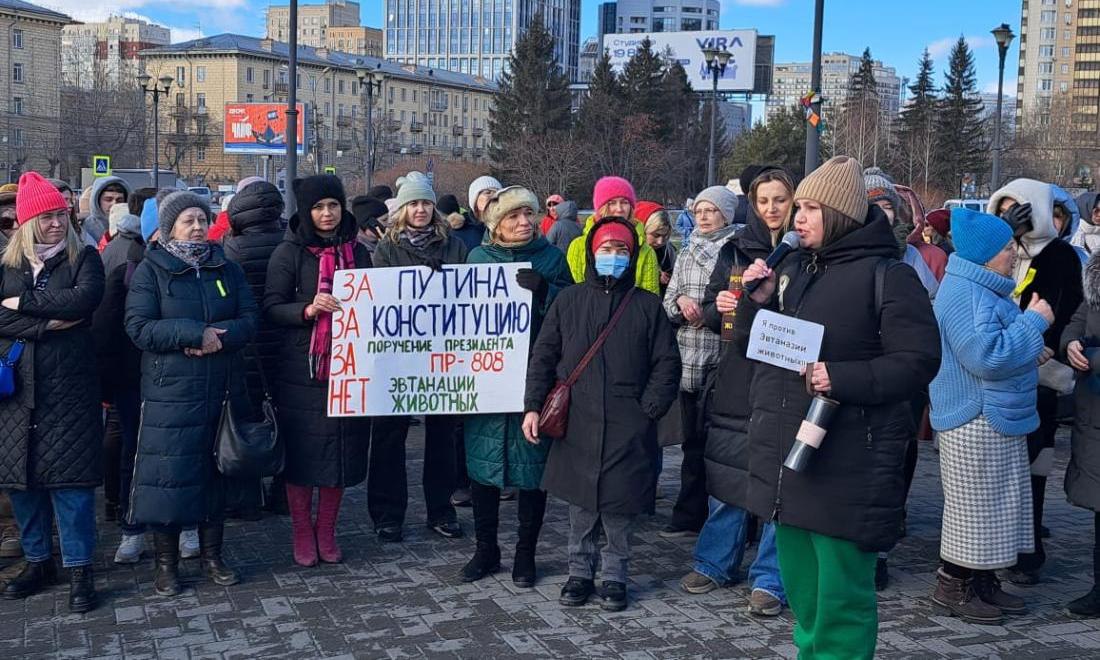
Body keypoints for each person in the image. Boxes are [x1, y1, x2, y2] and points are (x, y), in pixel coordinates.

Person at [736, 156, 940, 659]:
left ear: (841, 215)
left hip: (850, 465)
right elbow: (757, 349)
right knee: (805, 597)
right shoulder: (795, 269)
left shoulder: (890, 276)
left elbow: (919, 361)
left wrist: (842, 377)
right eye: (796, 207)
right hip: (791, 459)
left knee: (842, 601)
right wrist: (756, 303)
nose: (795, 218)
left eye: (808, 208)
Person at [523, 216, 681, 612]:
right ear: (593, 253)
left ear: (633, 256)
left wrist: (650, 407)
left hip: (629, 421)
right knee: (581, 505)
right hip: (578, 418)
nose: (613, 256)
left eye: (622, 250)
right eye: (606, 249)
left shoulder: (647, 306)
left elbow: (666, 363)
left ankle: (615, 574)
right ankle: (579, 572)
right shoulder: (569, 300)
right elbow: (544, 356)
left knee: (619, 507)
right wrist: (532, 405)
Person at [125, 191, 258, 597]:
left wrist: (223, 337)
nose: (198, 227)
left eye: (202, 219)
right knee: (169, 477)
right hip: (171, 394)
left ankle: (213, 556)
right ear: (169, 228)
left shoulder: (226, 268)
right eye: (188, 221)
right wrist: (191, 333)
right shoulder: (151, 270)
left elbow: (250, 318)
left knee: (215, 473)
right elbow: (139, 327)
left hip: (221, 388)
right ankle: (166, 565)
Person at [678, 167, 796, 617]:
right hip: (737, 372)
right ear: (751, 203)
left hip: (785, 375)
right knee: (728, 466)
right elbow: (710, 312)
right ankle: (715, 560)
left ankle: (769, 577)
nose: (771, 209)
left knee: (778, 477)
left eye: (780, 200)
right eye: (763, 200)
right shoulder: (735, 248)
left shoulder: (805, 253)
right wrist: (718, 307)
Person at [928, 207, 1052, 623]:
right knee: (974, 509)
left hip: (991, 416)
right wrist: (1034, 324)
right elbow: (986, 356)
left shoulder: (981, 287)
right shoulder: (964, 292)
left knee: (992, 508)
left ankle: (981, 581)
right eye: (1005, 247)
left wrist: (1031, 346)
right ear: (983, 254)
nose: (1014, 254)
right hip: (974, 417)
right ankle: (953, 586)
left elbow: (997, 346)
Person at [0, 171, 105, 612]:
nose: (57, 224)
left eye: (61, 215)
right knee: (22, 485)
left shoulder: (84, 261)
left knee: (72, 487)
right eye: (46, 218)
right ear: (27, 223)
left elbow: (82, 303)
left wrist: (22, 306)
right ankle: (38, 561)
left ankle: (81, 570)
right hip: (18, 393)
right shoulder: (7, 266)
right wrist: (47, 324)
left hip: (70, 390)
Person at [460, 186, 573, 587]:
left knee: (531, 469)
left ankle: (526, 553)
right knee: (482, 465)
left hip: (534, 377)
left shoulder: (551, 258)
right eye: (513, 217)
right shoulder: (476, 258)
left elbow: (572, 311)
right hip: (486, 378)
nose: (524, 222)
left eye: (528, 214)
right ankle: (485, 549)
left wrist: (546, 291)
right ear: (496, 224)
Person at [264, 176, 372, 566]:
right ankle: (301, 532)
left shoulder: (358, 252)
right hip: (302, 370)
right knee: (303, 457)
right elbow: (272, 307)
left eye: (333, 205)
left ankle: (326, 530)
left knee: (339, 456)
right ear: (305, 212)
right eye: (318, 207)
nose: (327, 214)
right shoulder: (288, 253)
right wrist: (308, 309)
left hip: (349, 368)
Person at [989, 178, 1083, 585]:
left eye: (1020, 210)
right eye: (1005, 211)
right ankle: (1004, 545)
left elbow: (1060, 305)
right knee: (1004, 468)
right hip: (1004, 368)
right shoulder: (1001, 250)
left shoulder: (1059, 254)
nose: (1014, 220)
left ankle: (1028, 549)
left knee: (1034, 463)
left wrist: (1044, 341)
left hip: (1041, 371)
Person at [370, 174, 468, 542]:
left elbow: (471, 293)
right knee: (388, 438)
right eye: (413, 203)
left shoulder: (454, 246)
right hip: (399, 357)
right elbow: (381, 296)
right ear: (402, 209)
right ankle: (387, 514)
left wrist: (447, 281)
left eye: (426, 203)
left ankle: (441, 511)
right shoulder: (387, 249)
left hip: (443, 356)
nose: (421, 210)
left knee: (442, 436)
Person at [660, 189, 737, 540]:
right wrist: (681, 301)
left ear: (727, 215)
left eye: (712, 211)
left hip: (718, 354)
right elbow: (669, 300)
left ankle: (721, 515)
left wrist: (706, 311)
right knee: (691, 442)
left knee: (716, 444)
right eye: (700, 210)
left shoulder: (735, 250)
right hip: (686, 356)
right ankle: (689, 512)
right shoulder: (688, 248)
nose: (704, 216)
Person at [92, 192, 157, 565]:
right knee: (134, 450)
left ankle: (181, 529)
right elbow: (105, 332)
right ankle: (132, 526)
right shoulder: (125, 270)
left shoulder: (207, 268)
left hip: (180, 382)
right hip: (132, 380)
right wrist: (109, 387)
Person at [223, 180, 286, 521]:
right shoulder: (289, 242)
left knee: (245, 421)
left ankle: (247, 499)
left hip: (247, 347)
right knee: (283, 417)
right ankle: (282, 492)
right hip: (285, 343)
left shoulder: (231, 248)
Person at [1062, 248, 1100, 617]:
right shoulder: (1096, 273)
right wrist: (1070, 343)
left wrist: (1094, 357)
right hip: (1093, 412)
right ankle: (1098, 588)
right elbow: (1078, 318)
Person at [565, 177, 661, 295]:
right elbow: (572, 295)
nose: (619, 209)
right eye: (612, 203)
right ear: (600, 208)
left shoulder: (645, 251)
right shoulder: (578, 247)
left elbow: (649, 301)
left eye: (624, 202)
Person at [82, 176, 131, 247]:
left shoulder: (131, 227)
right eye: (108, 199)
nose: (114, 204)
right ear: (97, 201)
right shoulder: (86, 228)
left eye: (119, 200)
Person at [641, 203, 676, 295]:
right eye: (656, 235)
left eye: (665, 235)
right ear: (643, 230)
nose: (660, 241)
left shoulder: (669, 252)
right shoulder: (628, 251)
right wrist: (655, 274)